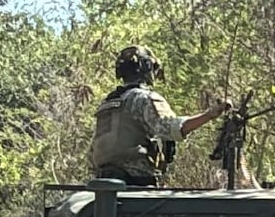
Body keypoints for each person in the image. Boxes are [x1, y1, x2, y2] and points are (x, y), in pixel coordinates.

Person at [91, 45, 232, 186]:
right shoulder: (143, 98)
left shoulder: (107, 103)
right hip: (136, 184)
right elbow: (173, 128)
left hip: (103, 185)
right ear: (148, 69)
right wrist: (209, 115)